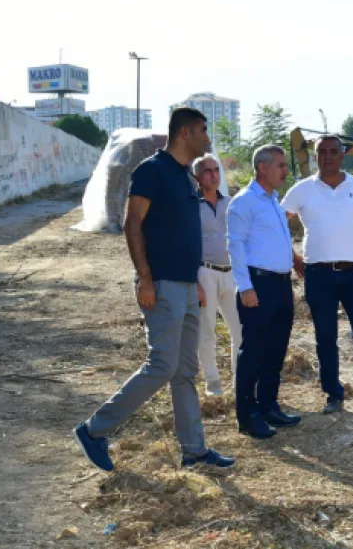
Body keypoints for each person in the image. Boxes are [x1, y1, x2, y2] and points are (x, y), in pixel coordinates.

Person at [74, 107, 234, 471]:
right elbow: (133, 226)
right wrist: (145, 278)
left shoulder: (183, 176)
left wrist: (195, 284)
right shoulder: (151, 171)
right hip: (161, 284)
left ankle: (193, 450)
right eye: (203, 132)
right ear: (185, 133)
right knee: (162, 365)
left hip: (187, 285)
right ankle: (95, 430)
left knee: (184, 371)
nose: (207, 139)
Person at [282, 135, 353, 415]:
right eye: (321, 152)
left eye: (332, 151)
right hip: (318, 275)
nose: (327, 156)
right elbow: (277, 222)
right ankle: (333, 396)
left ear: (342, 155)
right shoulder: (302, 190)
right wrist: (294, 259)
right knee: (325, 337)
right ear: (315, 156)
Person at [227, 145, 305, 439]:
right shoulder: (244, 202)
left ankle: (268, 405)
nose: (286, 171)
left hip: (280, 284)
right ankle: (247, 415)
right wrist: (245, 286)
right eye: (281, 165)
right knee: (254, 352)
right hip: (257, 285)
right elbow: (234, 245)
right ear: (262, 167)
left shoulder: (273, 200)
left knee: (276, 349)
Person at [192, 153, 241, 397]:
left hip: (231, 274)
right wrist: (196, 283)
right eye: (207, 171)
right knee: (207, 330)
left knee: (240, 330)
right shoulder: (190, 206)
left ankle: (240, 381)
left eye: (216, 170)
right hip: (205, 273)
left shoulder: (230, 204)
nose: (213, 175)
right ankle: (213, 384)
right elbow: (187, 246)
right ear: (197, 177)